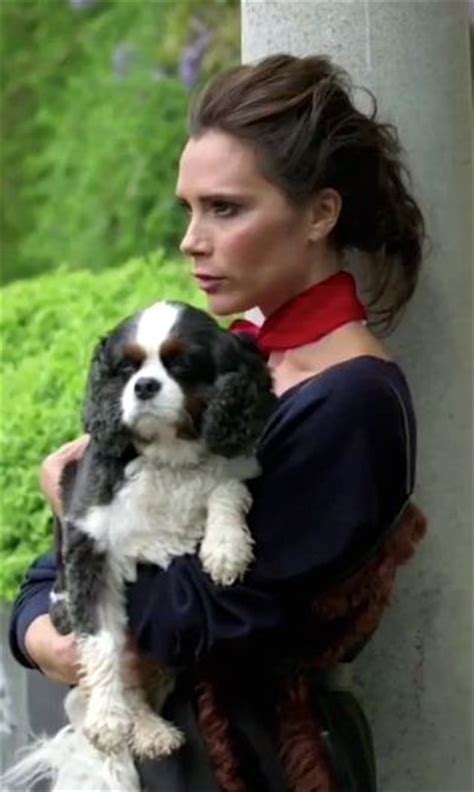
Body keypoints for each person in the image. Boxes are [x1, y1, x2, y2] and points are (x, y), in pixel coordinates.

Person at [9, 53, 427, 791]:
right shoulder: (216, 365)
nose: (191, 240)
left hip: (260, 762)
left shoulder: (354, 402)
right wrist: (43, 636)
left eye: (225, 209)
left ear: (321, 213)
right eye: (189, 209)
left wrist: (78, 511)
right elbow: (54, 579)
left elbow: (195, 618)